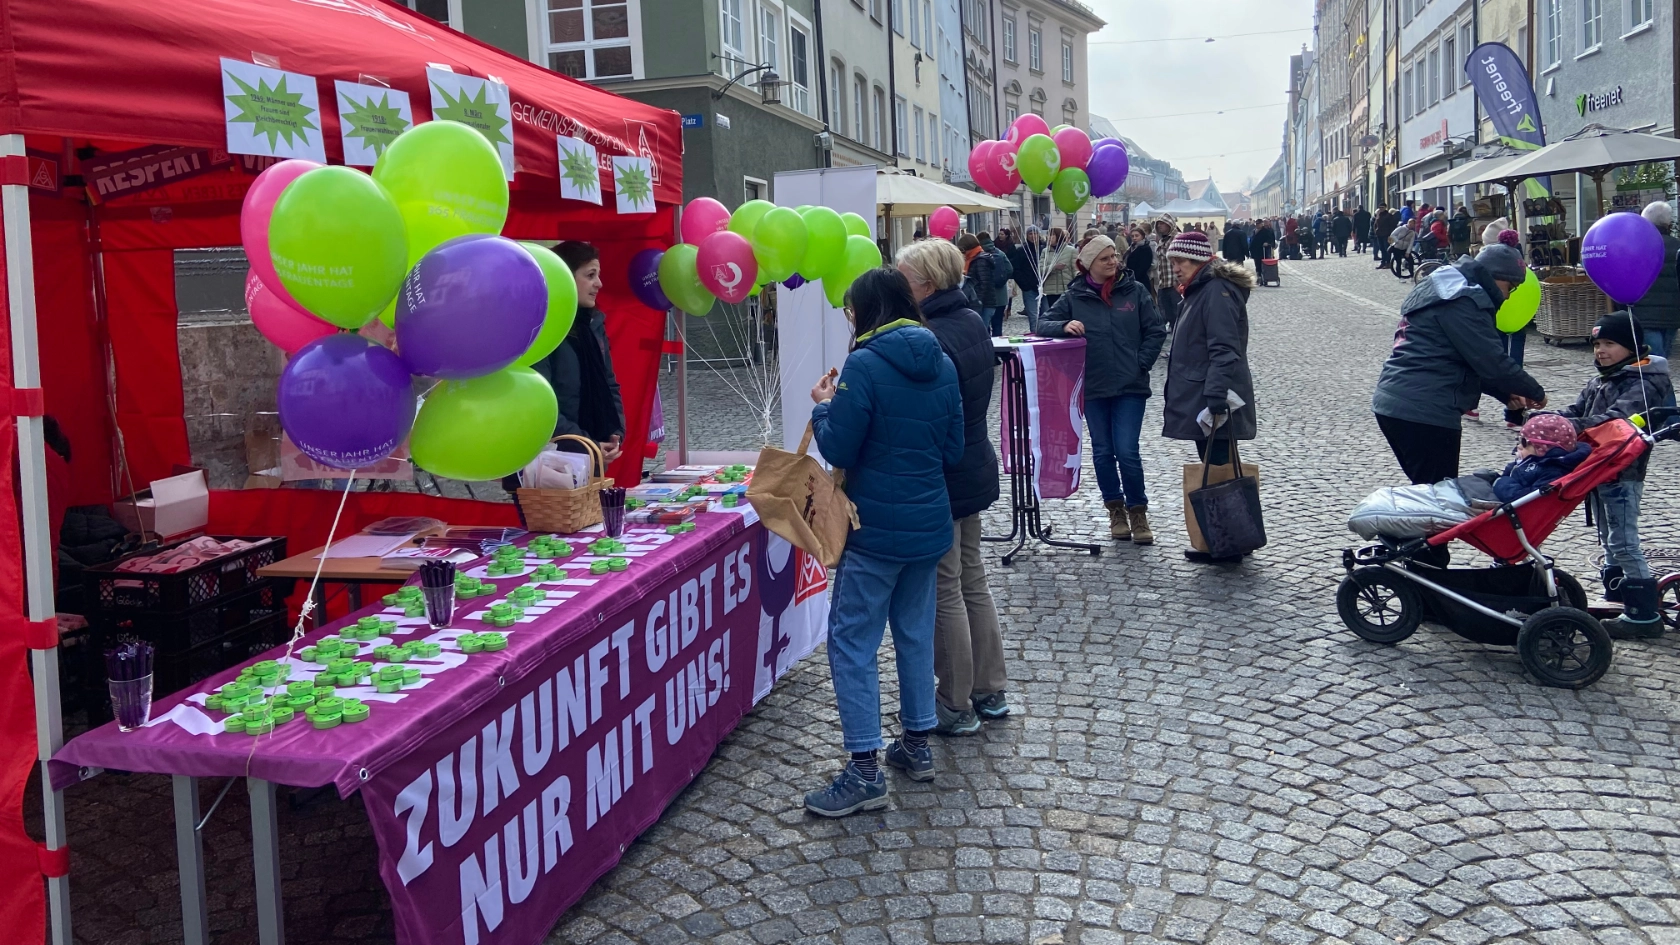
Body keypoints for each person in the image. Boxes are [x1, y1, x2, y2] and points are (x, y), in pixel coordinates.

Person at [804, 267, 965, 816]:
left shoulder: (865, 364)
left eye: (851, 310)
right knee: (915, 635)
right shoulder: (942, 361)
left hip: (874, 529)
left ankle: (864, 770)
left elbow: (839, 448)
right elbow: (953, 449)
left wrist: (823, 406)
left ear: (866, 311)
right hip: (929, 526)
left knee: (851, 642)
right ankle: (917, 744)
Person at [894, 240, 1009, 735]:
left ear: (926, 283)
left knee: (946, 586)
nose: (898, 285)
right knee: (971, 578)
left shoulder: (930, 335)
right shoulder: (971, 321)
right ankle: (989, 688)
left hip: (943, 474)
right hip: (972, 463)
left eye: (903, 277)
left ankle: (954, 700)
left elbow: (924, 417)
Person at [1370, 244, 1546, 486]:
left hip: (1396, 400)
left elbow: (1460, 357)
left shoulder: (1445, 285)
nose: (1507, 297)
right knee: (1439, 494)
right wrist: (1535, 392)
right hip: (1426, 410)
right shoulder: (1466, 300)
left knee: (1428, 489)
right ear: (1495, 277)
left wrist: (1504, 394)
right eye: (1510, 287)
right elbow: (1491, 360)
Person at [1545, 312, 1673, 638]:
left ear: (1631, 347)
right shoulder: (1602, 379)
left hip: (1623, 472)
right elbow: (1578, 411)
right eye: (1597, 344)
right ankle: (1616, 593)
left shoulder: (1644, 383)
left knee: (1624, 541)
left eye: (1609, 343)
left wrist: (1567, 428)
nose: (1600, 350)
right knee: (1608, 537)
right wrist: (1548, 420)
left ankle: (1644, 615)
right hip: (1598, 469)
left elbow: (1614, 421)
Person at [1039, 235, 1166, 543]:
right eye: (1105, 258)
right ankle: (1115, 509)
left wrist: (1141, 363)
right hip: (1094, 386)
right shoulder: (1074, 296)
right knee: (1103, 451)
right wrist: (1063, 326)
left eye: (1114, 256)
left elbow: (1155, 330)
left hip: (1130, 385)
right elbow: (1042, 324)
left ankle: (1138, 510)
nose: (1113, 262)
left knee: (1127, 451)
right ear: (1089, 264)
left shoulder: (1134, 291)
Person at [1160, 231, 1258, 562]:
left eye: (1180, 262)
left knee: (1219, 469)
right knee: (1218, 466)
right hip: (1203, 394)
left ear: (1199, 260)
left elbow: (1224, 348)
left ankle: (1228, 544)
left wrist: (1215, 395)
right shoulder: (1201, 288)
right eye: (1173, 261)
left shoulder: (1215, 291)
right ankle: (1230, 539)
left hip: (1212, 396)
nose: (1175, 268)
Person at [1346, 414, 1591, 541]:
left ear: (1541, 448)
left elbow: (1522, 496)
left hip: (1496, 507)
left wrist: (1500, 481)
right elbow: (1513, 477)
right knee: (1434, 491)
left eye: (1523, 442)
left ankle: (1380, 515)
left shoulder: (1549, 470)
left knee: (1432, 506)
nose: (1518, 446)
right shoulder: (1536, 461)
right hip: (1480, 493)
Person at [531, 241, 625, 462]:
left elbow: (609, 384)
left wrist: (616, 432)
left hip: (595, 451)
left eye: (598, 275)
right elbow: (541, 404)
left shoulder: (594, 325)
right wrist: (584, 444)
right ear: (565, 276)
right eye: (590, 275)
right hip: (554, 458)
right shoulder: (543, 330)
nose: (599, 284)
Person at [1631, 202, 1679, 384]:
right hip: (1672, 316)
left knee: (1655, 369)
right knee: (1661, 360)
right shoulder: (1677, 246)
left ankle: (1665, 403)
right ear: (1668, 223)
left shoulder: (1637, 247)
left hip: (1645, 315)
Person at [956, 232, 1002, 332]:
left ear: (968, 247)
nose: (962, 253)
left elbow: (984, 284)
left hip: (984, 304)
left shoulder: (980, 260)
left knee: (981, 331)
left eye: (963, 250)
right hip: (981, 303)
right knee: (982, 331)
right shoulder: (974, 259)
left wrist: (977, 302)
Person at [1001, 227, 1042, 333]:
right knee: (1033, 316)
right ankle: (1035, 336)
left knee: (1045, 314)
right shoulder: (1022, 250)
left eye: (1035, 233)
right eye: (1030, 234)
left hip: (1044, 287)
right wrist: (1024, 284)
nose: (1033, 236)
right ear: (1027, 236)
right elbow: (1016, 269)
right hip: (1029, 287)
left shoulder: (1044, 249)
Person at [1150, 215, 1182, 330]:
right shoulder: (1162, 240)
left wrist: (1179, 280)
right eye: (1158, 224)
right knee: (1166, 312)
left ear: (1169, 224)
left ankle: (1178, 333)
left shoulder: (1177, 238)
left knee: (1178, 312)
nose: (1159, 226)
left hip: (1174, 282)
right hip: (1163, 282)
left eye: (1162, 223)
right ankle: (1173, 330)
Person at [1040, 227, 1077, 314]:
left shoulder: (1071, 250)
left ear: (1058, 236)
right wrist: (1053, 267)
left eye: (1052, 235)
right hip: (1050, 290)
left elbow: (1075, 270)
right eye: (1048, 235)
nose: (1049, 237)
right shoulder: (1045, 251)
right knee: (1054, 314)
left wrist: (1076, 285)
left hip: (1066, 288)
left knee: (1067, 313)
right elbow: (1041, 270)